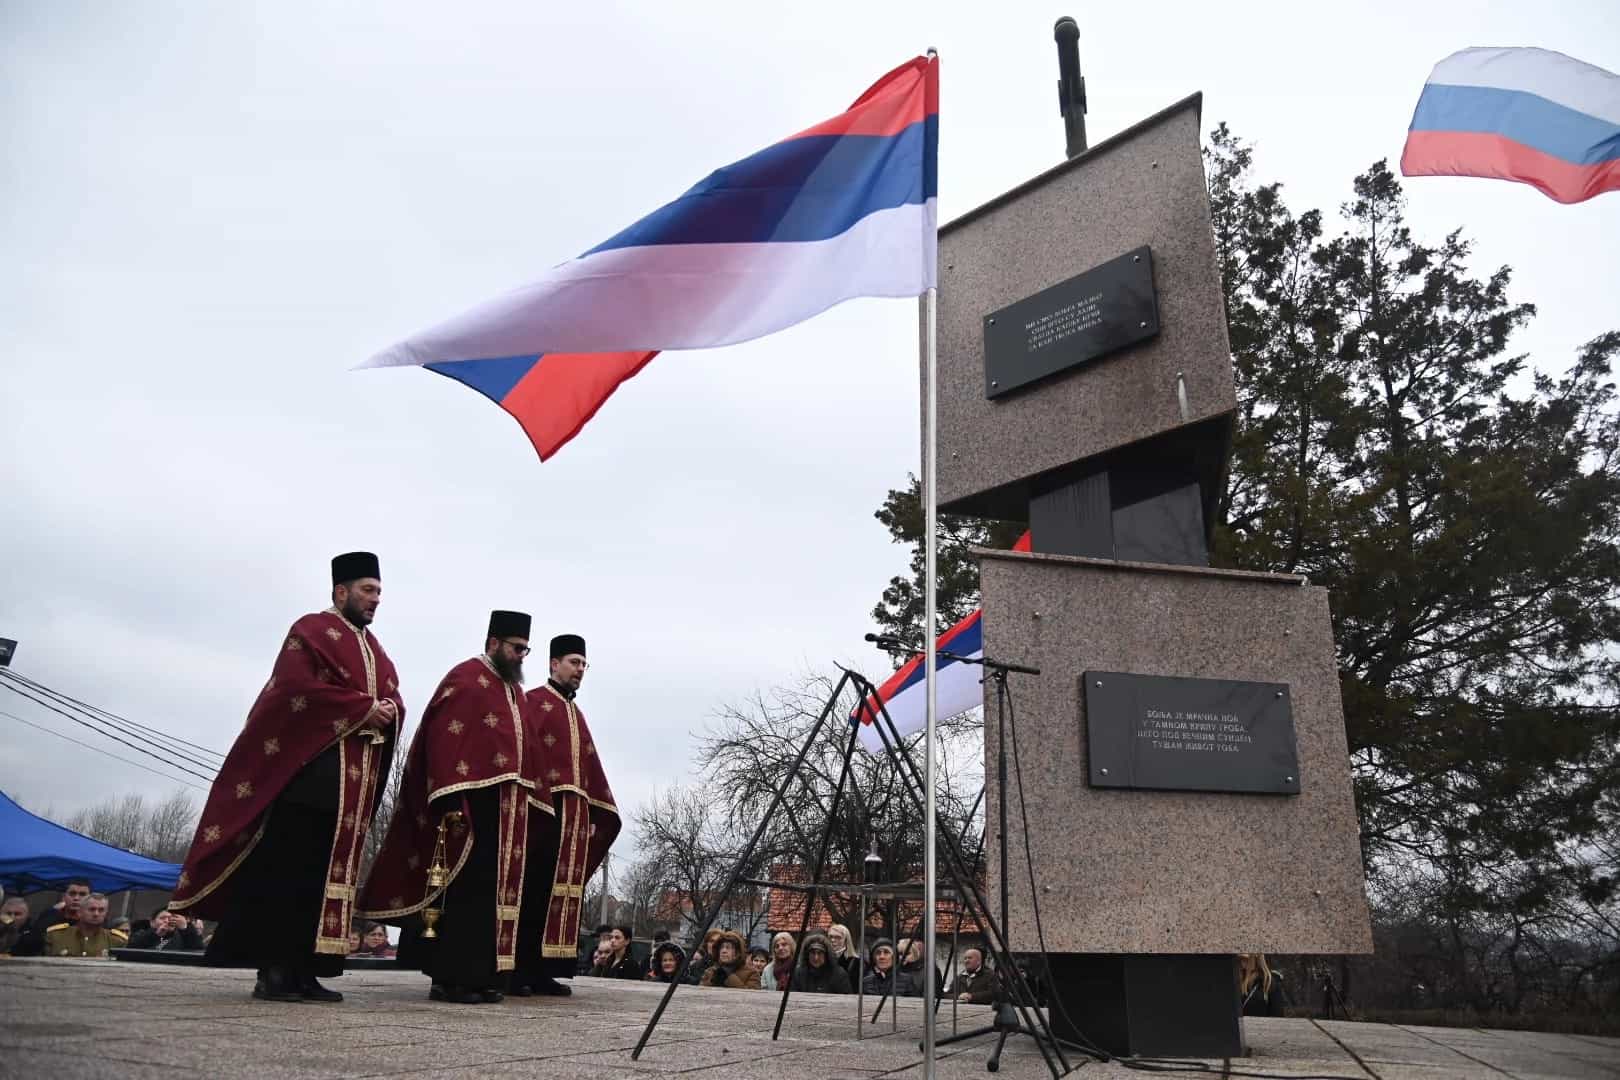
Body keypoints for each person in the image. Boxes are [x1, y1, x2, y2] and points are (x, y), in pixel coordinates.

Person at [168, 552, 403, 1004]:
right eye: (367, 590)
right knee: (289, 875)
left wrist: (391, 710)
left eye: (378, 593)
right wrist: (361, 709)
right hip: (306, 777)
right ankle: (273, 970)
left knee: (321, 880)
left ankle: (305, 969)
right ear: (341, 591)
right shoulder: (311, 630)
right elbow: (295, 689)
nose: (375, 600)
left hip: (348, 788)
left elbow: (390, 693)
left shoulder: (376, 651)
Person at [360, 611, 539, 1004]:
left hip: (503, 813)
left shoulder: (513, 690)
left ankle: (479, 976)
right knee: (460, 895)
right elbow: (442, 742)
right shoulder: (466, 679)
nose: (521, 656)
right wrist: (449, 797)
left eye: (526, 649)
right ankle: (450, 977)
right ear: (493, 643)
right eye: (516, 648)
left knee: (487, 897)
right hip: (466, 809)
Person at [510, 634, 621, 997]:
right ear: (553, 664)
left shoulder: (577, 714)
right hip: (542, 814)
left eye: (584, 665)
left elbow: (590, 768)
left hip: (571, 821)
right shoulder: (533, 703)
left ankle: (544, 970)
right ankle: (518, 969)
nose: (580, 671)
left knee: (558, 895)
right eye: (574, 663)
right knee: (532, 891)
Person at [13, 878, 91, 956]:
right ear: (64, 897)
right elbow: (30, 943)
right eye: (72, 893)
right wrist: (51, 915)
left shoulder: (94, 921)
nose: (76, 898)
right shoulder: (49, 916)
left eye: (82, 894)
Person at [43, 893, 126, 957]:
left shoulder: (116, 940)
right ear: (79, 912)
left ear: (106, 914)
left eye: (101, 910)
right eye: (91, 909)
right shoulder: (56, 935)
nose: (96, 914)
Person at [128, 909, 204, 951]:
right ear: (152, 922)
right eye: (163, 918)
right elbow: (131, 950)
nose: (167, 921)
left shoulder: (184, 935)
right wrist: (156, 934)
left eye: (172, 918)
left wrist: (185, 928)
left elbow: (197, 950)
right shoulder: (140, 933)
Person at [826, 922, 861, 987]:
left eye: (838, 937)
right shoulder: (823, 959)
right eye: (830, 937)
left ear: (846, 940)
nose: (833, 940)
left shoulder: (855, 962)